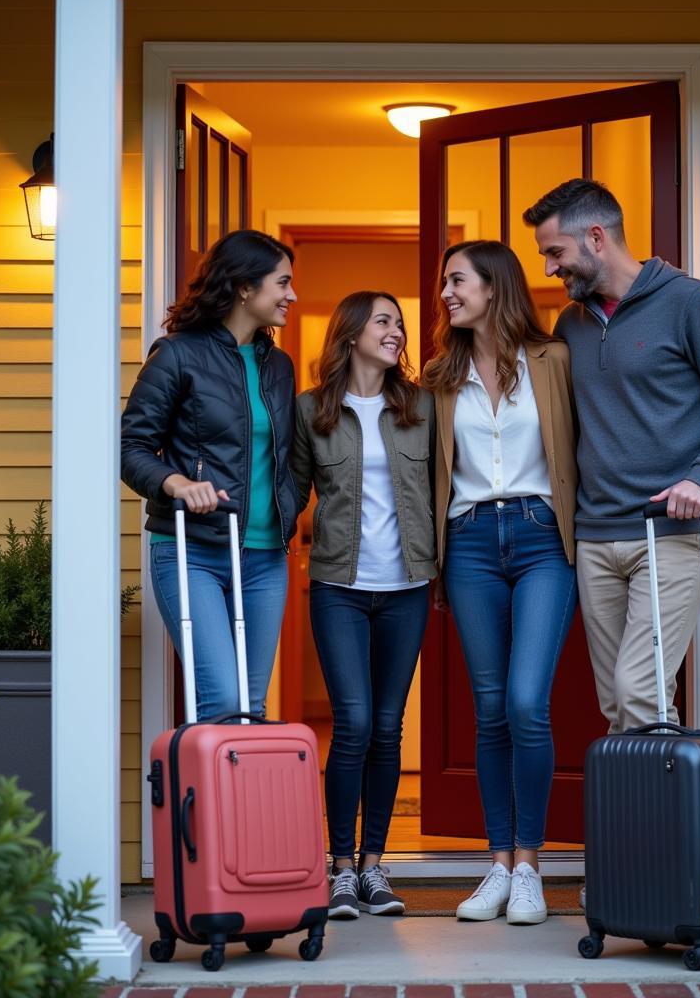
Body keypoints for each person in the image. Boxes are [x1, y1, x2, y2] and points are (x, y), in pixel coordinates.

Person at [523, 177, 700, 735]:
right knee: (620, 703)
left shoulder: (689, 302)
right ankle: (640, 821)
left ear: (595, 237)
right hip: (595, 535)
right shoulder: (573, 323)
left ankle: (659, 822)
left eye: (554, 253)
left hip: (672, 532)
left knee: (642, 691)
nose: (548, 269)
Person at [423, 240, 578, 926]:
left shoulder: (553, 361)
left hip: (543, 535)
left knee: (525, 702)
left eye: (457, 280)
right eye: (445, 283)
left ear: (495, 286)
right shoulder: (437, 376)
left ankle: (531, 867)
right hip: (470, 542)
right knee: (488, 708)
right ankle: (497, 863)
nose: (446, 293)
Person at [290, 291, 436, 921]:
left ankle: (376, 869)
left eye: (399, 324)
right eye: (385, 322)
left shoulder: (422, 407)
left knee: (387, 724)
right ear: (351, 334)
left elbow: (443, 487)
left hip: (407, 587)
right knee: (351, 722)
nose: (397, 332)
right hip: (338, 588)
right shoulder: (311, 409)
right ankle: (340, 867)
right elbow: (292, 489)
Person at [121, 229, 299, 722]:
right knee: (222, 700)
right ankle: (198, 802)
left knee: (251, 707)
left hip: (265, 561)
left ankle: (229, 803)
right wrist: (177, 484)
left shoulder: (278, 366)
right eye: (282, 282)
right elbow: (131, 447)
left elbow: (290, 458)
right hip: (193, 553)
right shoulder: (177, 355)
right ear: (245, 287)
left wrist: (292, 502)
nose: (292, 294)